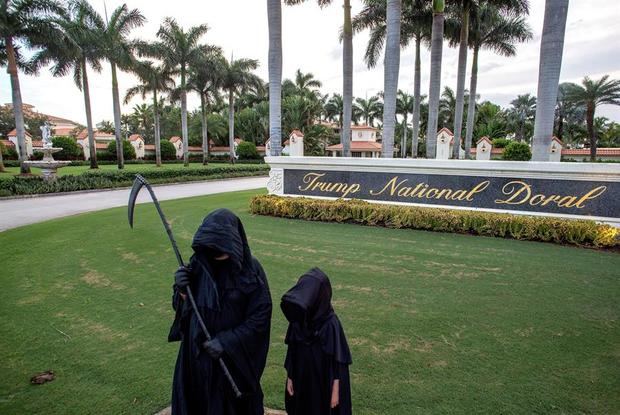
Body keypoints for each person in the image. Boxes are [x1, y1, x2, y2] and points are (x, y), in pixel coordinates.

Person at [169, 209, 272, 415]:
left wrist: (226, 342)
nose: (215, 253)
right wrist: (181, 291)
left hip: (230, 362)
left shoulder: (251, 271)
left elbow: (260, 317)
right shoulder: (199, 263)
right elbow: (186, 309)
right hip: (196, 357)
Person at [281, 268, 352, 415]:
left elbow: (339, 363)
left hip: (323, 381)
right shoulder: (300, 318)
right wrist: (290, 377)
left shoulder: (331, 324)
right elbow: (292, 351)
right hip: (302, 377)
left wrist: (336, 390)